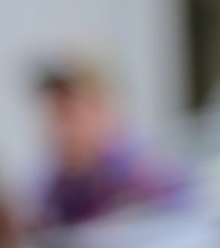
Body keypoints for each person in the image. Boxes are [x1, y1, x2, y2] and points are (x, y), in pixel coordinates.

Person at [29, 54, 188, 234]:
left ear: (102, 109)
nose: (59, 128)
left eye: (68, 113)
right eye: (52, 113)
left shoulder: (143, 175)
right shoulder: (53, 188)